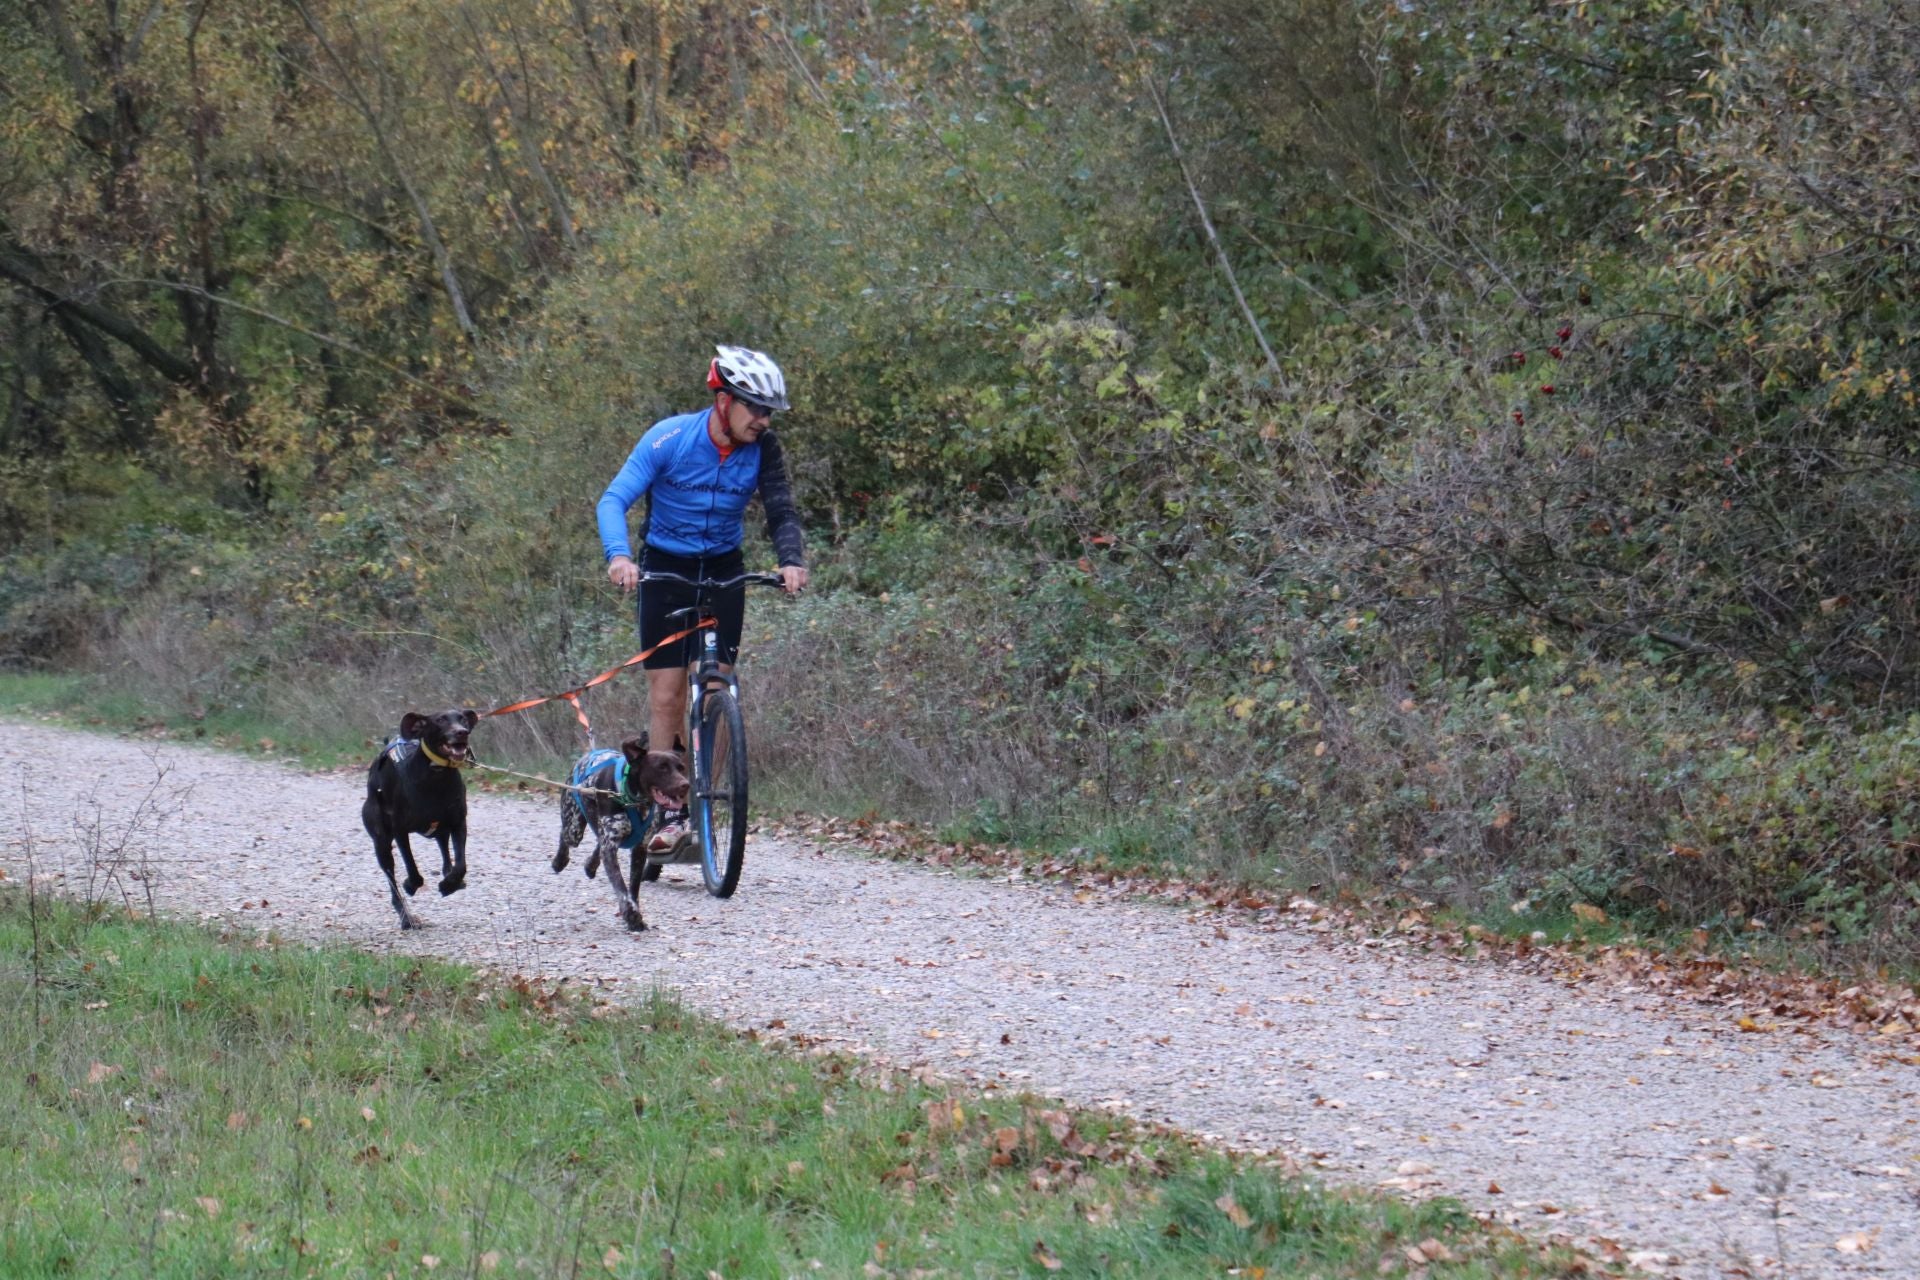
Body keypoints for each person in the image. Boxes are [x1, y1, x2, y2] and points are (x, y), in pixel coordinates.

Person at [596, 344, 808, 852]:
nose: (763, 420)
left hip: (722, 570)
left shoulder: (764, 448)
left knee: (716, 688)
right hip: (666, 569)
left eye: (769, 411)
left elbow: (780, 508)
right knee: (668, 693)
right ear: (723, 401)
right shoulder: (669, 438)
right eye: (755, 408)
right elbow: (614, 499)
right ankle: (662, 809)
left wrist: (791, 560)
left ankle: (699, 804)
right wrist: (619, 556)